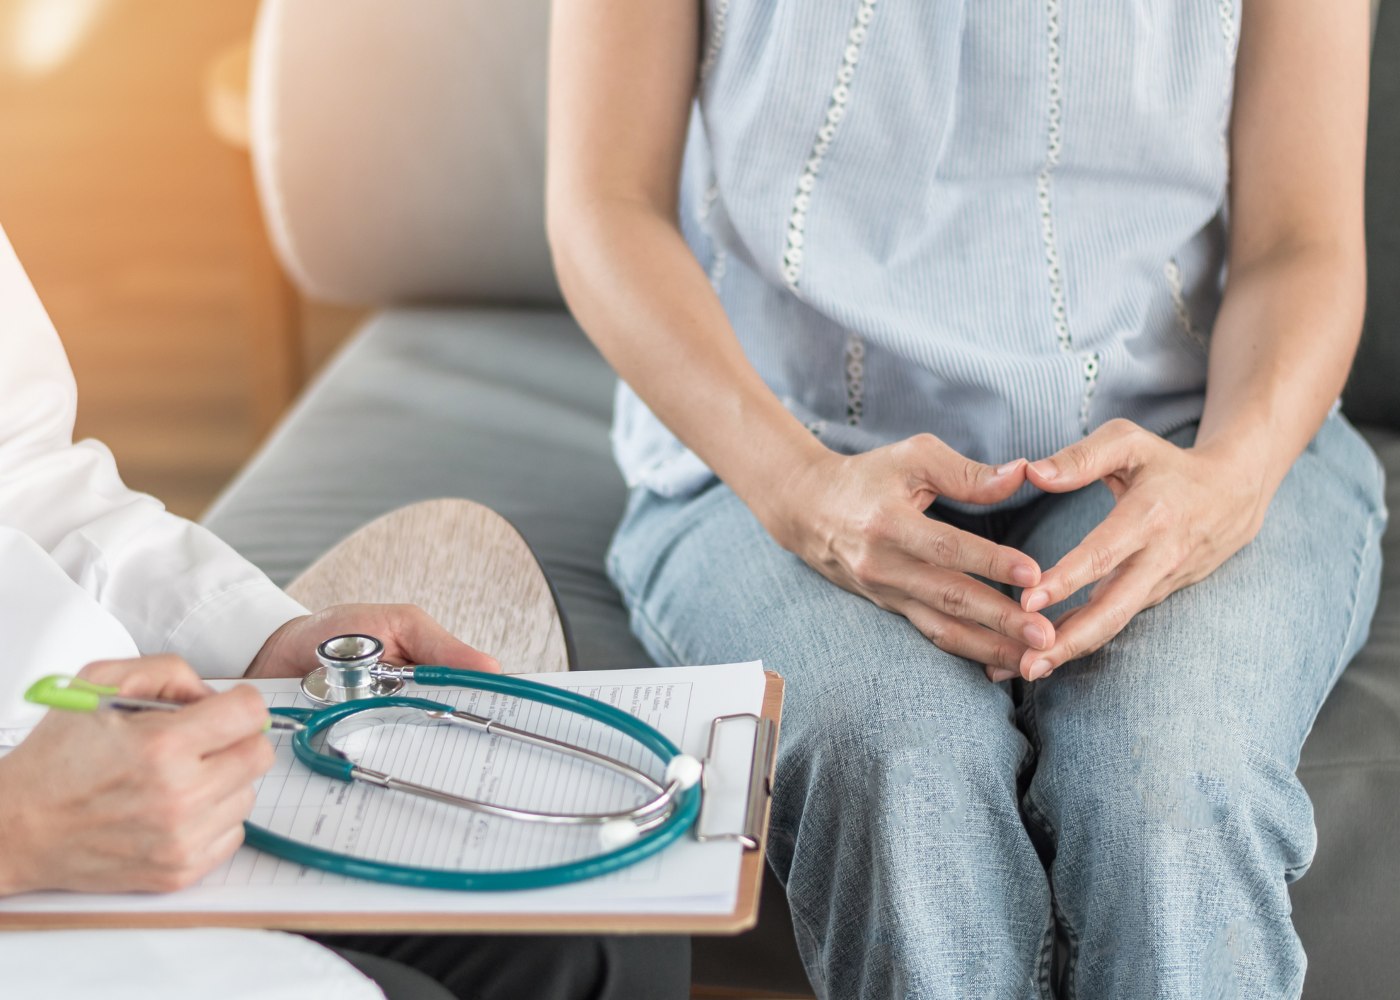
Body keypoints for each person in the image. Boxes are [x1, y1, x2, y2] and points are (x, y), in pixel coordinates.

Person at [546, 1, 1386, 997]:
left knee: (1167, 784)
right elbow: (603, 202)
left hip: (1191, 428)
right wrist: (801, 489)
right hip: (774, 437)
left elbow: (1300, 240)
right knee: (896, 769)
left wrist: (1226, 483)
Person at [0, 223, 689, 1000]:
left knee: (600, 936)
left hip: (96, 758)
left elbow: (22, 470)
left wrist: (260, 641)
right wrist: (19, 830)